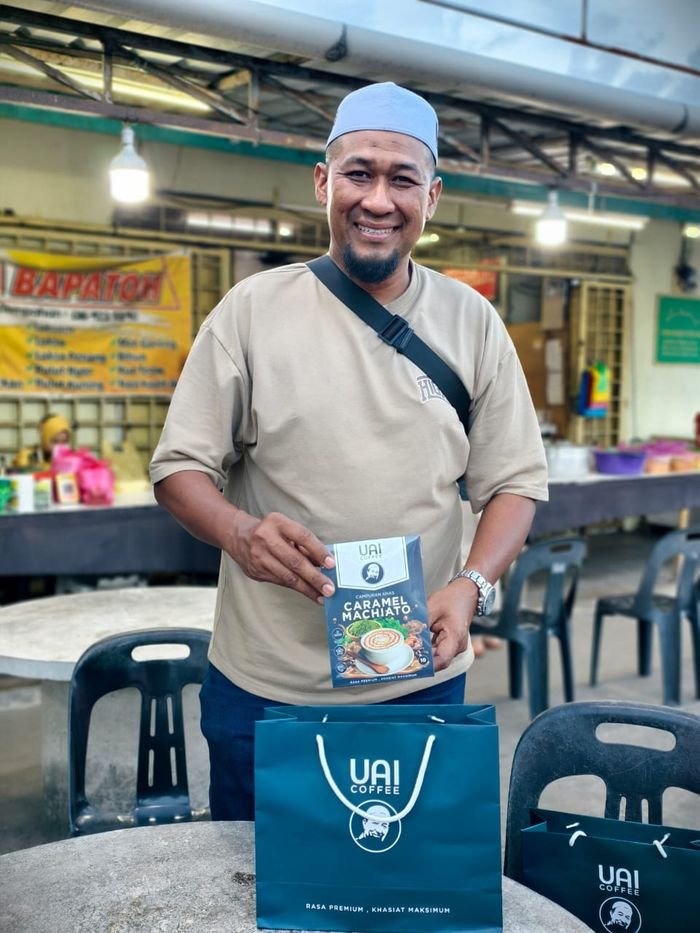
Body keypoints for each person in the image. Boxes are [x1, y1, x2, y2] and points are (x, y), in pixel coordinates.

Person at [150, 81, 549, 820]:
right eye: (359, 173)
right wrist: (239, 532)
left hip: (417, 679)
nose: (378, 200)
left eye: (403, 180)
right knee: (249, 877)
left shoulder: (472, 322)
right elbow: (178, 468)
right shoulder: (252, 312)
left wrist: (471, 587)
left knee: (403, 877)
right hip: (266, 687)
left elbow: (516, 482)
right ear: (323, 183)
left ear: (432, 197)